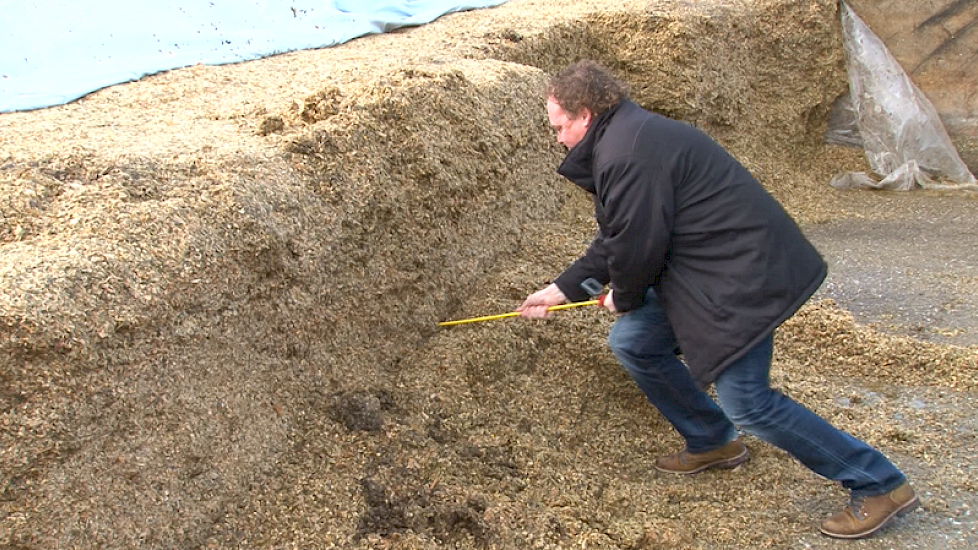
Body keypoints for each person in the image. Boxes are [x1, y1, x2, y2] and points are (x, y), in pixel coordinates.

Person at [518, 60, 918, 539]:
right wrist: (562, 289)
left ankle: (880, 483)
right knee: (635, 342)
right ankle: (711, 439)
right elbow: (619, 236)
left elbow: (637, 247)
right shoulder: (626, 138)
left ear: (584, 115)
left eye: (559, 127)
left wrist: (623, 297)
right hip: (706, 274)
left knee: (749, 403)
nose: (558, 139)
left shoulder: (627, 153)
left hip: (740, 277)